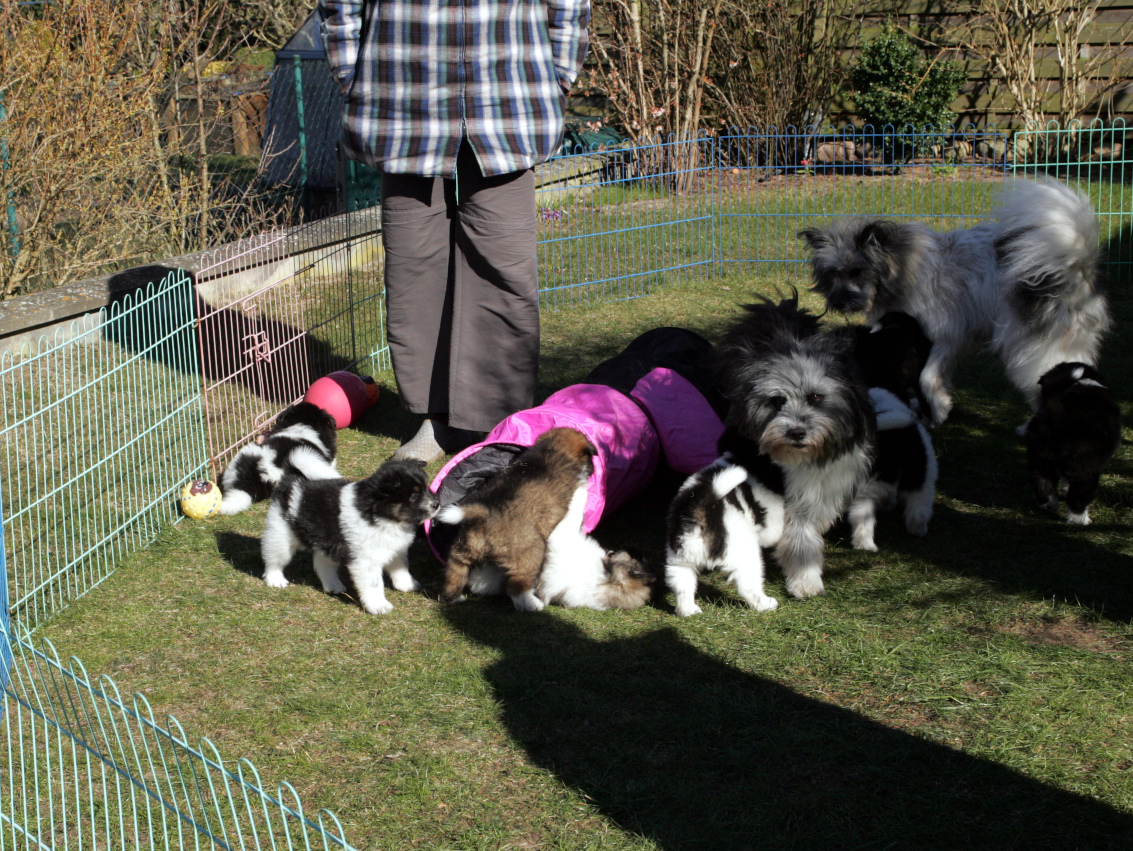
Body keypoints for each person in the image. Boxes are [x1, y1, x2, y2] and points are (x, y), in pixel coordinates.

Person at [318, 0, 591, 463]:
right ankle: (436, 418)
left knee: (504, 260)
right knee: (414, 260)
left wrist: (560, 75)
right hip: (400, 91)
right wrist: (351, 76)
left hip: (509, 90)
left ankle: (497, 419)